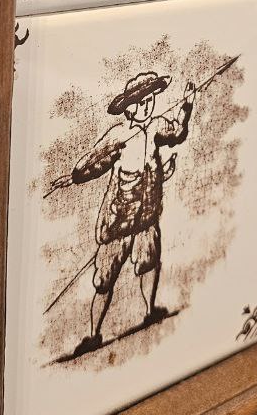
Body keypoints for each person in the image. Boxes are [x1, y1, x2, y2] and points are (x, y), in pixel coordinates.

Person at [67, 69, 195, 356]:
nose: (147, 106)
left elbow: (177, 132)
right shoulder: (119, 136)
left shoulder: (157, 127)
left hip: (147, 215)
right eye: (141, 102)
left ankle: (150, 311)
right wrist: (75, 176)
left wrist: (187, 105)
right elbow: (91, 163)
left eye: (150, 99)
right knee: (104, 279)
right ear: (129, 108)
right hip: (119, 221)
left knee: (149, 262)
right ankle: (93, 334)